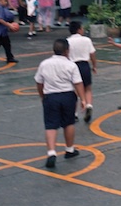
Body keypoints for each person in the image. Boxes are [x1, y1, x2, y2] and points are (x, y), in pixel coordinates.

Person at [34, 37, 85, 169]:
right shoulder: (71, 65)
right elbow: (78, 83)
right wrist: (83, 99)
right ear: (67, 51)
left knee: (51, 125)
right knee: (68, 123)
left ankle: (51, 152)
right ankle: (69, 149)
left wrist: (42, 96)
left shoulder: (44, 64)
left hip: (51, 96)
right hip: (68, 95)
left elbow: (39, 82)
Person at [67, 20, 97, 123]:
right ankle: (88, 105)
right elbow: (92, 54)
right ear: (79, 29)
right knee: (87, 88)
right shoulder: (86, 40)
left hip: (72, 66)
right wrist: (94, 66)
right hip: (84, 65)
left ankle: (74, 114)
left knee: (74, 90)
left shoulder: (67, 41)